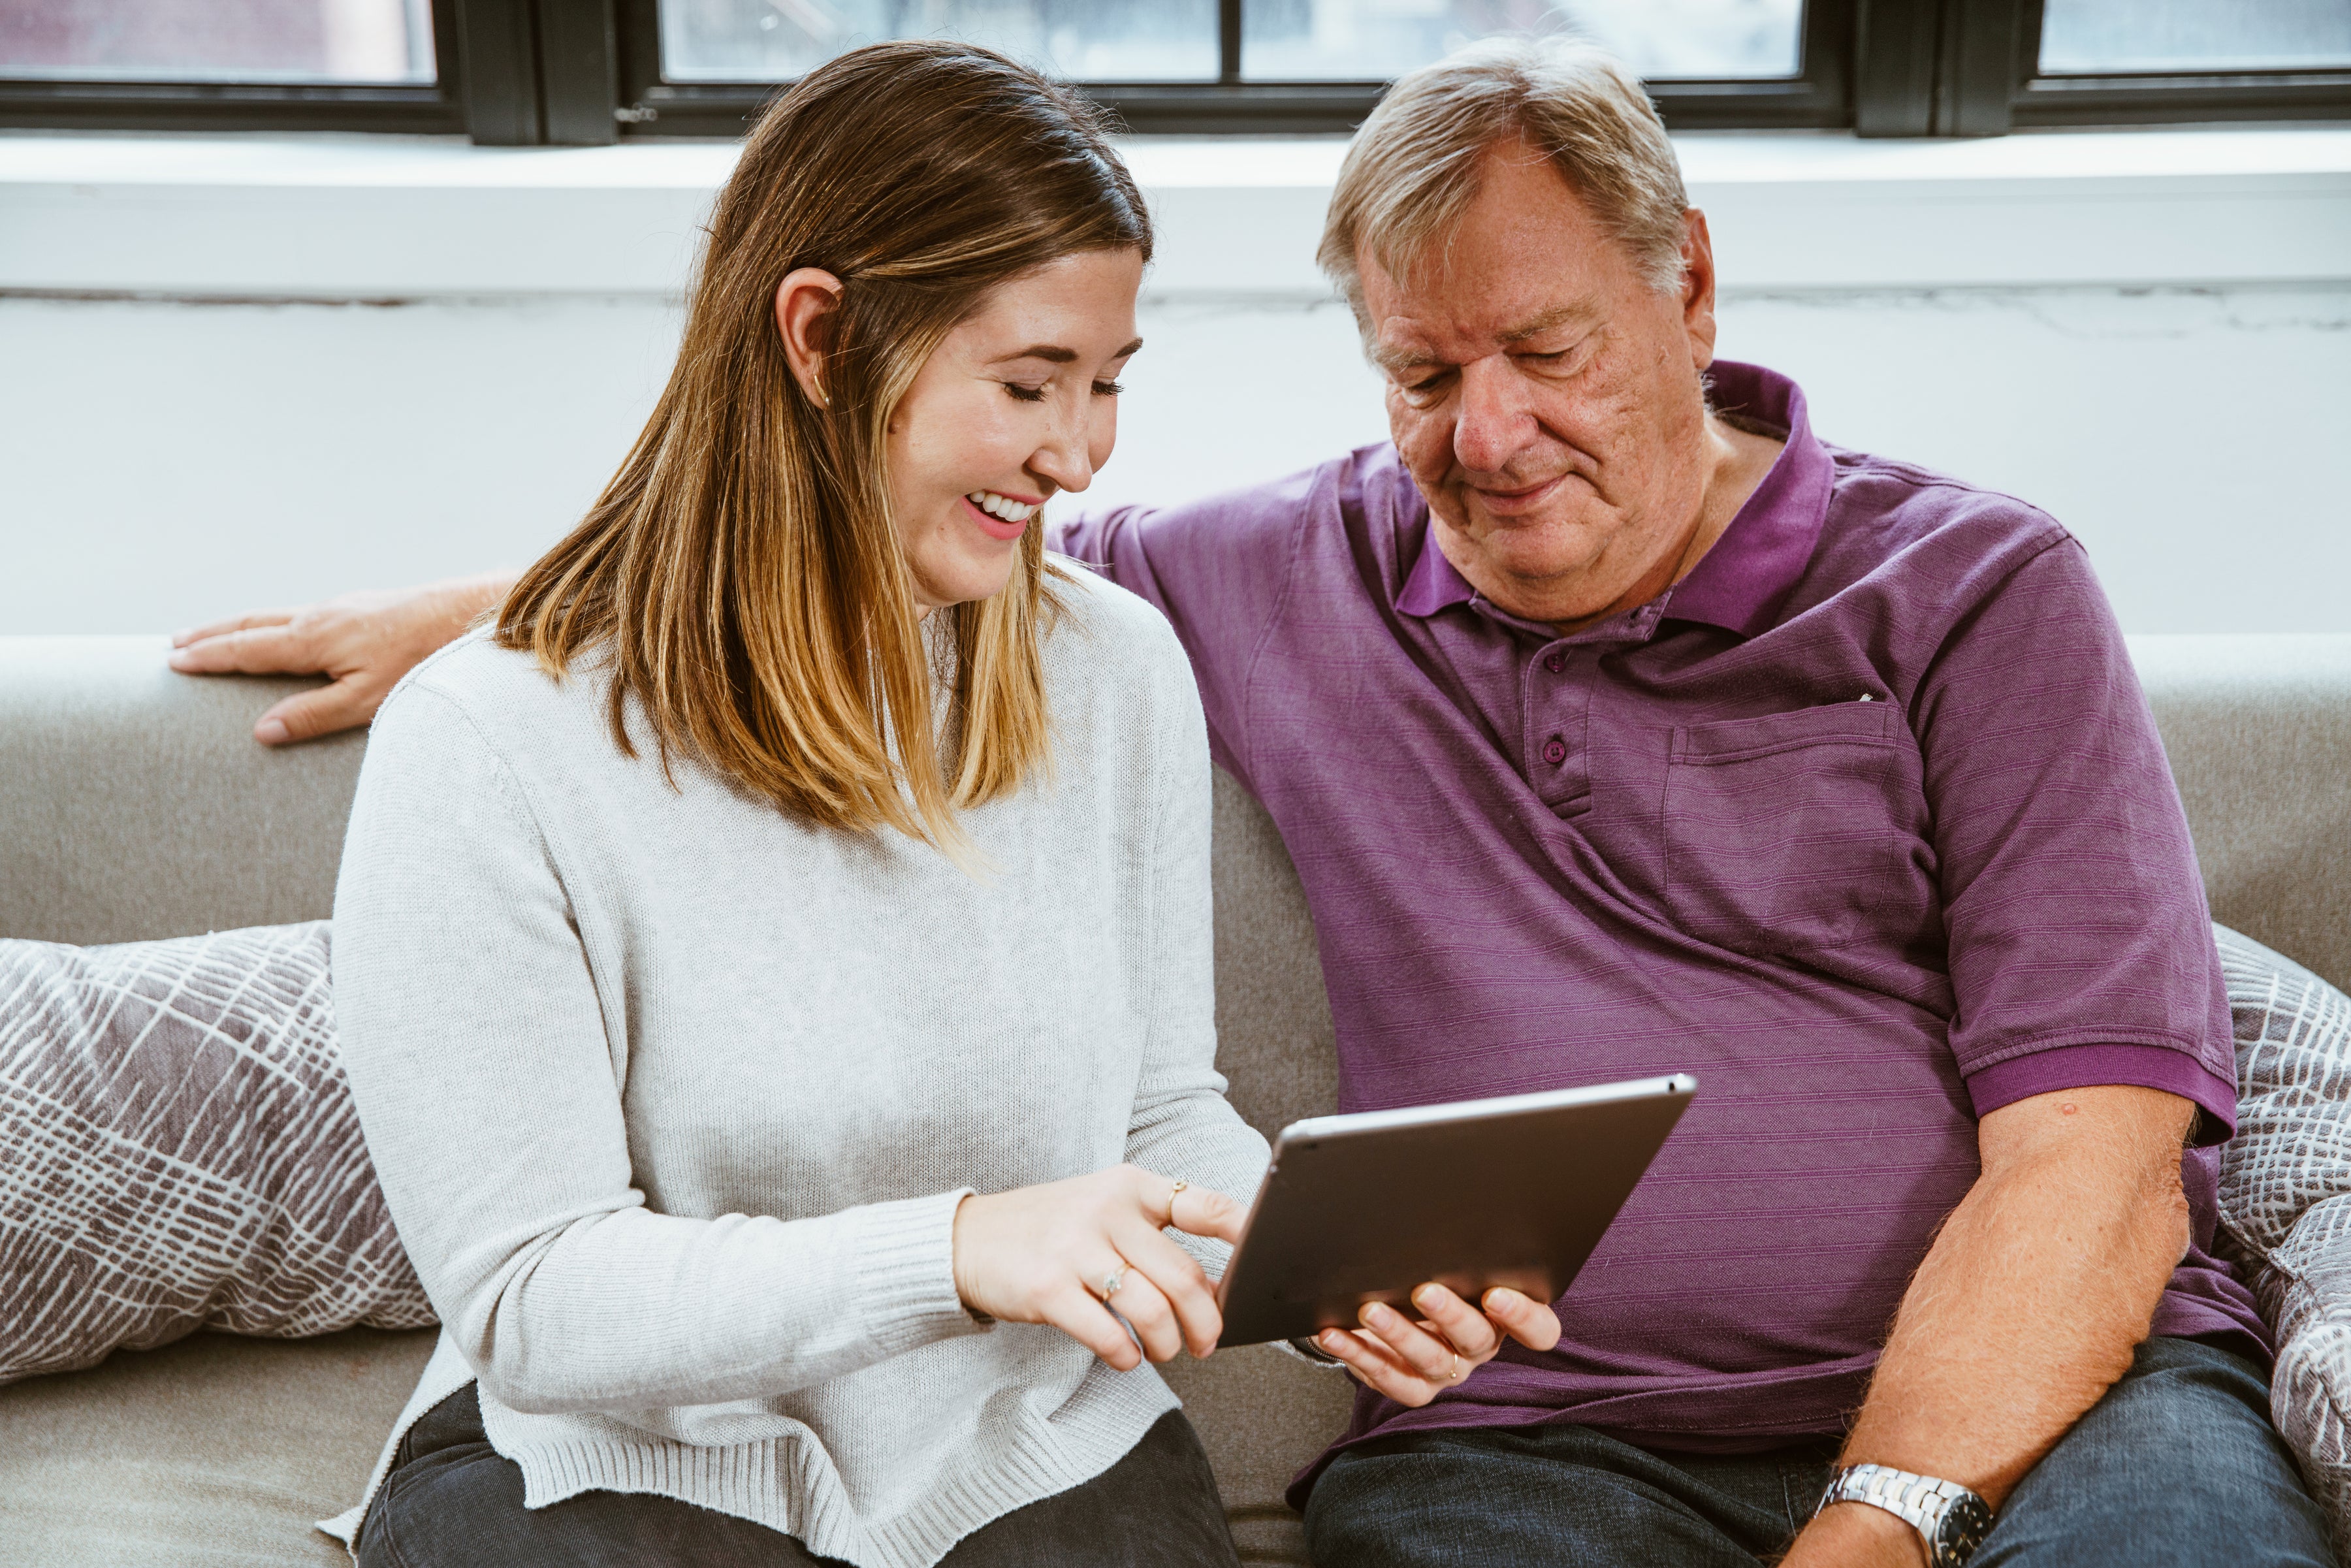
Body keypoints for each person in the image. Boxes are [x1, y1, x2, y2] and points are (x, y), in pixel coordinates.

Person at [180, 37, 2331, 1568]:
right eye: (1419, 372)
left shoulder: (1971, 591)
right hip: (1540, 1454)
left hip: (2056, 1425)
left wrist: (1315, 1259)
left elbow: (2100, 1165)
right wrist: (516, 610)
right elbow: (795, 539)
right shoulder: (1234, 581)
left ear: (1688, 285)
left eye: (1550, 350)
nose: (1484, 437)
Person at [312, 40, 1334, 1568]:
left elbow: (1159, 1112)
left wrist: (1328, 1269)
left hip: (1025, 1452)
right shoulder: (487, 741)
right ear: (821, 337)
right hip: (622, 1462)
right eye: (1029, 382)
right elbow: (530, 1295)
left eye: (1108, 383)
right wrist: (959, 1249)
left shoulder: (1116, 675)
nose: (1081, 451)